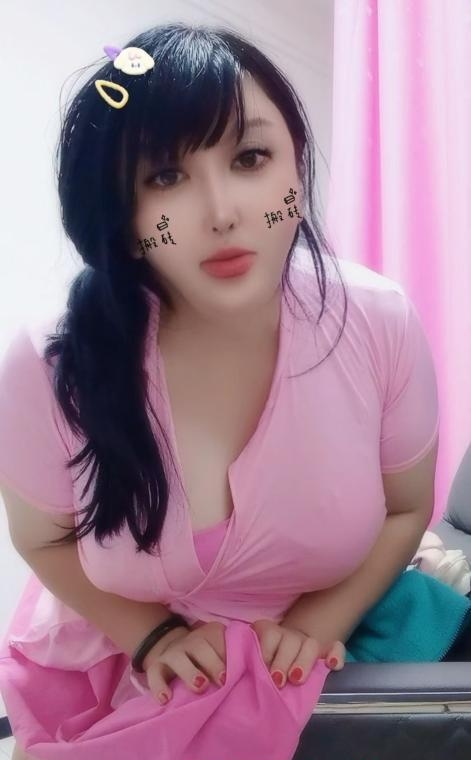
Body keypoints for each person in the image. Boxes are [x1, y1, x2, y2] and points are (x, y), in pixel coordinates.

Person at [0, 21, 440, 760]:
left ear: (296, 168)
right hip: (110, 673)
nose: (222, 211)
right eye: (164, 177)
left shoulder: (379, 321)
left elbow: (405, 507)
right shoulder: (48, 362)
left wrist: (318, 623)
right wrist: (152, 634)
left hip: (323, 673)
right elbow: (41, 536)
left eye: (250, 158)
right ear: (123, 218)